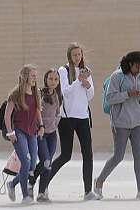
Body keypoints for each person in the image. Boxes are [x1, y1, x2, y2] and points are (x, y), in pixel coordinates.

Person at [39, 42, 97, 200]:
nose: (78, 57)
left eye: (80, 54)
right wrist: (79, 81)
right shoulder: (63, 70)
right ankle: (43, 186)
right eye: (75, 55)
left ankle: (88, 191)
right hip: (67, 118)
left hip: (83, 117)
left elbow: (91, 94)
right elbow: (64, 91)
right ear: (69, 56)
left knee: (88, 154)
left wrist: (86, 84)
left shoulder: (86, 72)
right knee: (66, 155)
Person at [95, 51, 140, 200]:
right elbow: (110, 98)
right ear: (129, 64)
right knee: (118, 155)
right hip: (120, 122)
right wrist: (128, 94)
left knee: (138, 155)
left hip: (138, 122)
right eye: (137, 66)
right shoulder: (117, 76)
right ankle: (99, 181)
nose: (139, 70)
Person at [3, 65, 42, 205]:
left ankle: (12, 184)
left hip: (32, 132)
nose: (35, 78)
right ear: (25, 77)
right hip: (19, 132)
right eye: (32, 75)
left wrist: (41, 125)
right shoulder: (15, 93)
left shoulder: (36, 92)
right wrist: (10, 132)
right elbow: (7, 116)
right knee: (25, 162)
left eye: (35, 76)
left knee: (32, 165)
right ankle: (26, 196)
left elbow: (37, 110)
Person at [29, 68, 62, 201]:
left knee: (48, 164)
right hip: (40, 133)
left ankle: (42, 192)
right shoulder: (39, 93)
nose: (53, 82)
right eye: (50, 79)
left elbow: (58, 112)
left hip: (52, 133)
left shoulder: (58, 94)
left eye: (56, 79)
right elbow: (35, 113)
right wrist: (40, 126)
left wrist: (55, 123)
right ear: (45, 79)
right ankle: (30, 182)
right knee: (45, 161)